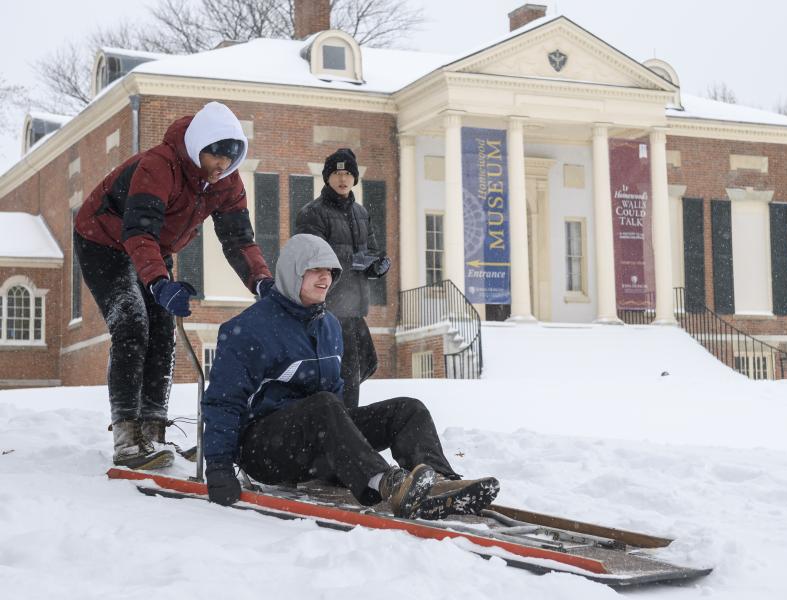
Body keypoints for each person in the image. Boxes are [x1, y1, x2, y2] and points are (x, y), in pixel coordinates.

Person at [202, 234, 499, 519]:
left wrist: (344, 452)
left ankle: (439, 485)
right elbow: (223, 403)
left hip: (317, 442)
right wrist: (218, 467)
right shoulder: (251, 328)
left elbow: (336, 396)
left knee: (407, 409)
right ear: (293, 273)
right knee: (324, 405)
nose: (325, 278)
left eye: (330, 271)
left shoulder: (329, 326)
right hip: (265, 451)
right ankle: (386, 482)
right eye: (315, 270)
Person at [74, 101, 274, 470]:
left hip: (154, 246)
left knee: (163, 332)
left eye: (231, 159)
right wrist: (159, 283)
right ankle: (126, 435)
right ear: (200, 146)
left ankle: (153, 432)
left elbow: (238, 240)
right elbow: (138, 231)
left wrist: (261, 282)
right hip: (103, 239)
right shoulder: (159, 165)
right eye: (217, 156)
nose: (222, 166)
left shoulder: (226, 182)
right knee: (132, 323)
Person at [296, 148, 389, 409]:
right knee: (347, 372)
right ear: (327, 178)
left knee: (367, 361)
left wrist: (376, 266)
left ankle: (338, 413)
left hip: (355, 306)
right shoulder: (312, 213)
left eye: (348, 173)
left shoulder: (361, 213)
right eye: (336, 173)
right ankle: (345, 423)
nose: (342, 178)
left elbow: (370, 251)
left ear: (355, 178)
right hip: (329, 306)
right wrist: (352, 262)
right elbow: (312, 258)